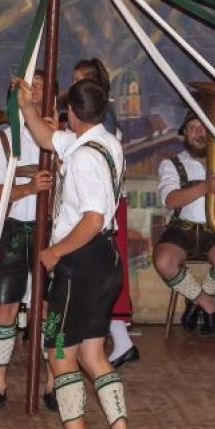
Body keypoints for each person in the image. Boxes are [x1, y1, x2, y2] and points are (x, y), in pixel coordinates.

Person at [16, 76, 138, 429]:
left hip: (80, 263)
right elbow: (50, 138)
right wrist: (28, 107)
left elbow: (92, 218)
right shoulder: (105, 143)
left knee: (59, 355)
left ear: (71, 114)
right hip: (105, 262)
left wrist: (54, 252)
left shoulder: (85, 158)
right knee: (92, 354)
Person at [0, 72, 52, 412]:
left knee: (50, 311)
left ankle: (55, 382)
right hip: (14, 231)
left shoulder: (61, 138)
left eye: (39, 86)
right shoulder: (3, 140)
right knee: (5, 307)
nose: (34, 91)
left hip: (50, 231)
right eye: (29, 86)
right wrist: (28, 189)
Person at [71, 59, 138, 368]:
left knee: (98, 271)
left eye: (78, 81)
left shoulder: (101, 123)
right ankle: (119, 340)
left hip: (100, 207)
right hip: (102, 203)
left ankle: (109, 342)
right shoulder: (103, 120)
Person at [153, 108, 215, 337]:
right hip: (182, 230)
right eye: (192, 128)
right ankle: (209, 303)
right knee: (163, 261)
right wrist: (205, 187)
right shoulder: (171, 164)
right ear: (185, 134)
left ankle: (195, 301)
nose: (198, 132)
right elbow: (170, 200)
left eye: (203, 127)